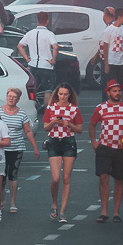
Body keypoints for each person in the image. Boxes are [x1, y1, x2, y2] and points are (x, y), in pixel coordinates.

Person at [90, 79, 123, 224]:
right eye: (114, 91)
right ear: (108, 92)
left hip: (122, 148)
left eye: (119, 91)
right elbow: (92, 125)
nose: (117, 93)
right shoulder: (101, 108)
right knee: (103, 176)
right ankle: (104, 211)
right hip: (104, 146)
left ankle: (116, 212)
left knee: (119, 179)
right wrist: (94, 141)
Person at [43, 83, 83, 224]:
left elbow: (79, 129)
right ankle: (54, 203)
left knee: (66, 178)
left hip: (68, 142)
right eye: (61, 94)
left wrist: (69, 124)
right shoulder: (51, 107)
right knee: (56, 178)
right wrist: (54, 121)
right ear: (57, 94)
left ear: (69, 95)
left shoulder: (74, 109)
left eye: (66, 94)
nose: (63, 97)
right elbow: (45, 127)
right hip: (54, 141)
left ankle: (63, 211)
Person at [0, 87, 39, 214]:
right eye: (9, 96)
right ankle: (0, 200)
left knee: (13, 174)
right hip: (1, 148)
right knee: (1, 175)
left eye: (14, 97)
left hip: (16, 147)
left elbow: (28, 131)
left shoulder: (21, 113)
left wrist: (35, 147)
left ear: (18, 99)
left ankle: (12, 203)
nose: (11, 99)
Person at [18, 11, 57, 102]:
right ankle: (47, 110)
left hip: (33, 65)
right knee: (47, 90)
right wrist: (53, 60)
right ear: (47, 21)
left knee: (34, 89)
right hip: (46, 66)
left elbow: (20, 46)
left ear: (37, 20)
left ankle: (33, 107)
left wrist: (27, 58)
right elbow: (55, 47)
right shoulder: (49, 34)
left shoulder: (30, 33)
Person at [99, 8, 123, 90]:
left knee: (122, 85)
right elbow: (106, 46)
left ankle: (121, 102)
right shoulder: (108, 30)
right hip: (112, 61)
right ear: (119, 16)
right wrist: (106, 64)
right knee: (113, 85)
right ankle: (113, 101)